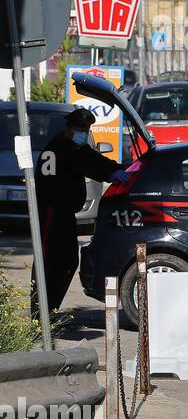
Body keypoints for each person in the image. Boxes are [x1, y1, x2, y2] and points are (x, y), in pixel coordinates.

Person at [33, 108, 129, 313]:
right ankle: (41, 312)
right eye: (80, 129)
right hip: (52, 213)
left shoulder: (69, 146)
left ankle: (48, 310)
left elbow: (92, 158)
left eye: (86, 129)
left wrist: (117, 168)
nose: (83, 133)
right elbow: (91, 162)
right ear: (69, 128)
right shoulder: (64, 148)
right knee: (49, 262)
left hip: (64, 214)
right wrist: (113, 171)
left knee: (67, 261)